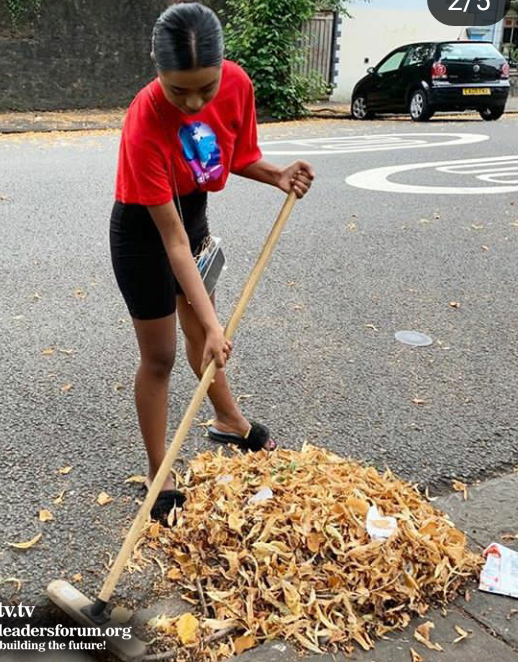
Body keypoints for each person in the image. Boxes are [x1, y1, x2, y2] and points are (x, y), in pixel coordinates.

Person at [110, 2, 314, 520]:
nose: (196, 102)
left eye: (207, 86)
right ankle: (160, 473)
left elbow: (231, 154)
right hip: (145, 231)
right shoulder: (144, 120)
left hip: (192, 211)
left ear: (224, 68)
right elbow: (173, 243)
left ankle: (227, 419)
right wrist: (212, 320)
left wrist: (277, 175)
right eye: (180, 91)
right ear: (158, 72)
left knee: (205, 337)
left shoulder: (238, 86)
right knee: (161, 357)